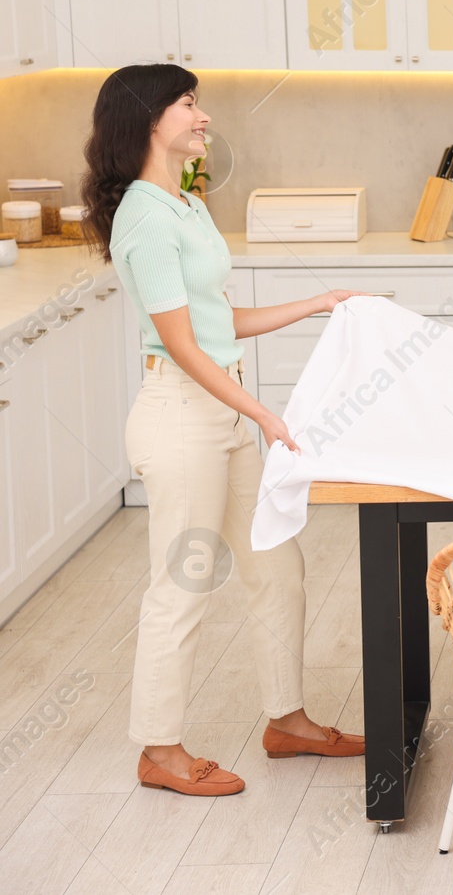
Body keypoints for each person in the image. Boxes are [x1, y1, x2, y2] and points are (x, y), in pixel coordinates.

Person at [82, 64, 365, 794]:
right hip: (181, 417)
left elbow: (216, 321)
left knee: (277, 563)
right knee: (184, 583)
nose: (203, 116)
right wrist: (264, 413)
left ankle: (286, 719)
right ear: (148, 120)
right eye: (188, 103)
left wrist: (315, 302)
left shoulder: (188, 203)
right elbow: (179, 343)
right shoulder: (143, 216)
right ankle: (160, 749)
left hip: (225, 409)